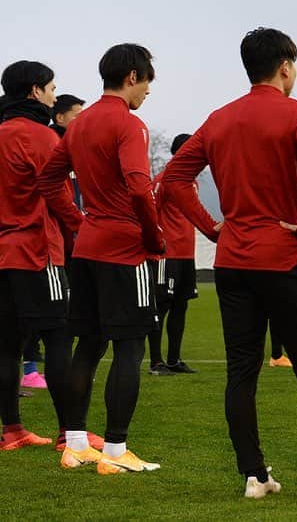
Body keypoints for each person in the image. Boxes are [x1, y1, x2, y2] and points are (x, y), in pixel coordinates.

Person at [162, 27, 297, 498]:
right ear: (285, 66)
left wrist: (213, 227)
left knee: (241, 371)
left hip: (233, 262)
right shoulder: (296, 113)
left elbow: (176, 177)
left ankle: (256, 477)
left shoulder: (219, 119)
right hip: (282, 260)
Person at [38, 43, 165, 473]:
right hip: (124, 247)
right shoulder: (130, 124)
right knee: (130, 348)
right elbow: (138, 187)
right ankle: (114, 451)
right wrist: (152, 236)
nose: (148, 91)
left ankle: (74, 443)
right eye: (147, 82)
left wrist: (78, 222)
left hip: (89, 246)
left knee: (88, 345)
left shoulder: (80, 122)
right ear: (132, 77)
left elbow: (48, 179)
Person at [0, 61, 83, 451]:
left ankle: (12, 430)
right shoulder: (43, 137)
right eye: (51, 88)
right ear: (34, 91)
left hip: (2, 254)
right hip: (36, 251)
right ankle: (71, 434)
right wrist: (83, 229)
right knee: (60, 337)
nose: (54, 95)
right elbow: (60, 197)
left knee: (7, 345)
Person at [147, 133, 219, 376]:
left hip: (187, 254)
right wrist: (156, 246)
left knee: (181, 306)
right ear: (181, 153)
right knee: (161, 306)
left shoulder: (192, 184)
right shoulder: (163, 179)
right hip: (167, 255)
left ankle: (174, 359)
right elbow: (150, 213)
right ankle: (156, 363)